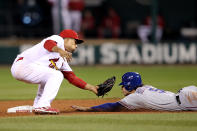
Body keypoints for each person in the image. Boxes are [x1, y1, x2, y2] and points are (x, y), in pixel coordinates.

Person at [11, 29, 98, 114]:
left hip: (26, 68)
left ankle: (38, 105)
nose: (76, 46)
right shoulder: (58, 39)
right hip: (24, 64)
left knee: (49, 77)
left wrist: (91, 87)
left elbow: (72, 78)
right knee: (56, 75)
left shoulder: (62, 59)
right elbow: (47, 43)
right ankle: (43, 105)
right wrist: (60, 50)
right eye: (75, 42)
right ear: (67, 39)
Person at [72, 72, 197, 112]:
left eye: (123, 86)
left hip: (186, 100)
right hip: (186, 93)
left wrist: (88, 109)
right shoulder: (146, 87)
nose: (121, 89)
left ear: (129, 85)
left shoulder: (135, 97)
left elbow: (113, 106)